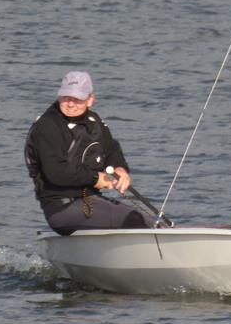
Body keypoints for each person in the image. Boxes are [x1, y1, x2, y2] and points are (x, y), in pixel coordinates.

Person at [24, 71, 154, 235]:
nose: (71, 104)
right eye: (66, 97)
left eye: (77, 99)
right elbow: (56, 172)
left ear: (90, 99)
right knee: (135, 221)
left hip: (91, 201)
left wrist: (119, 168)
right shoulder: (48, 126)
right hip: (61, 207)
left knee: (147, 220)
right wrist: (96, 178)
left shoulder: (93, 121)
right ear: (59, 96)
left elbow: (111, 148)